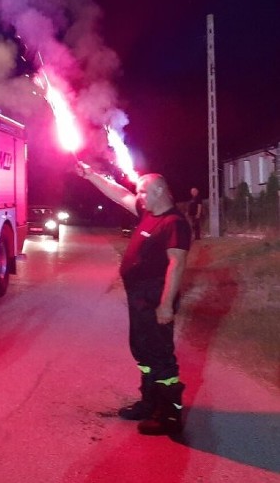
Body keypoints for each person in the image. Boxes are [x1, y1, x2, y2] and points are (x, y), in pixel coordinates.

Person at [76, 162, 191, 436]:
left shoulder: (174, 223)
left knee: (160, 354)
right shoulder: (147, 211)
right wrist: (92, 175)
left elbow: (176, 265)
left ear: (160, 191)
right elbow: (118, 193)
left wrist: (165, 304)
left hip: (155, 296)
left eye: (143, 192)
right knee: (143, 350)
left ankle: (169, 416)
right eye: (138, 193)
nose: (138, 197)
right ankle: (150, 402)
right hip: (139, 296)